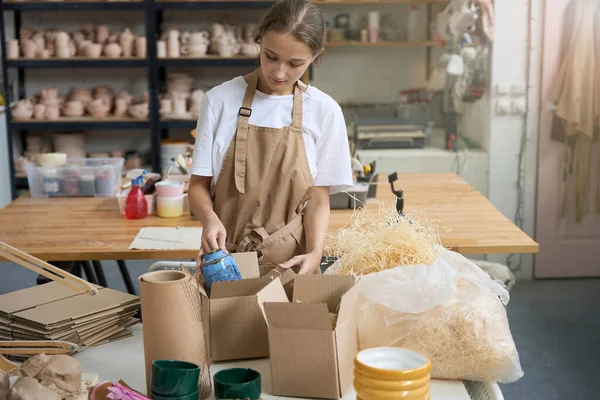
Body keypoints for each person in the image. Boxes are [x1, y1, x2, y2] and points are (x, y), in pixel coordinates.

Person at [188, 0, 353, 276]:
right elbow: (197, 187)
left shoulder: (324, 111)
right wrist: (209, 219)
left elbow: (319, 198)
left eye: (295, 63)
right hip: (227, 261)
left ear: (316, 56)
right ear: (258, 41)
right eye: (271, 56)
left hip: (292, 265)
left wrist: (315, 252)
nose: (279, 72)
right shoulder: (219, 101)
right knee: (226, 320)